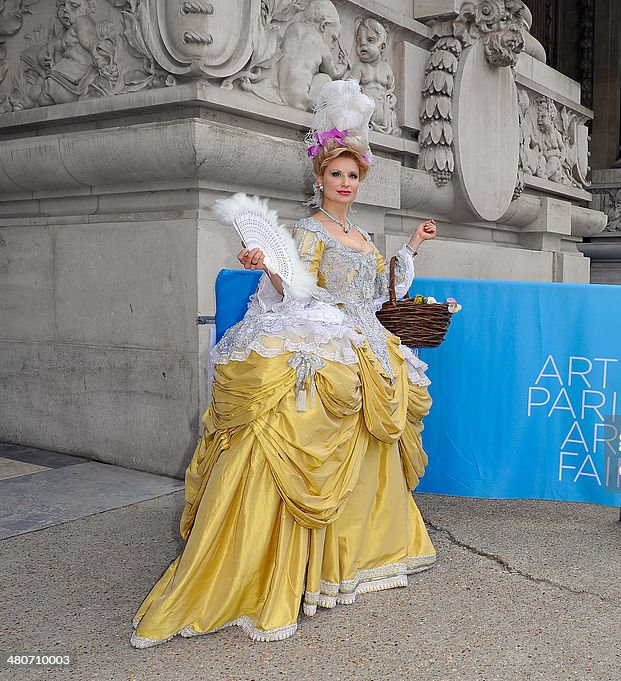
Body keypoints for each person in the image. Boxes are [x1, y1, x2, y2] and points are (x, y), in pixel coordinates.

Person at [131, 80, 438, 647]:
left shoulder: (364, 236)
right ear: (319, 179)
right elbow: (292, 287)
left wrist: (413, 248)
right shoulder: (308, 231)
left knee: (378, 408)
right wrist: (265, 264)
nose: (344, 184)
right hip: (319, 329)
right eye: (335, 175)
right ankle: (278, 567)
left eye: (352, 176)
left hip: (362, 334)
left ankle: (356, 557)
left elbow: (378, 293)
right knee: (299, 411)